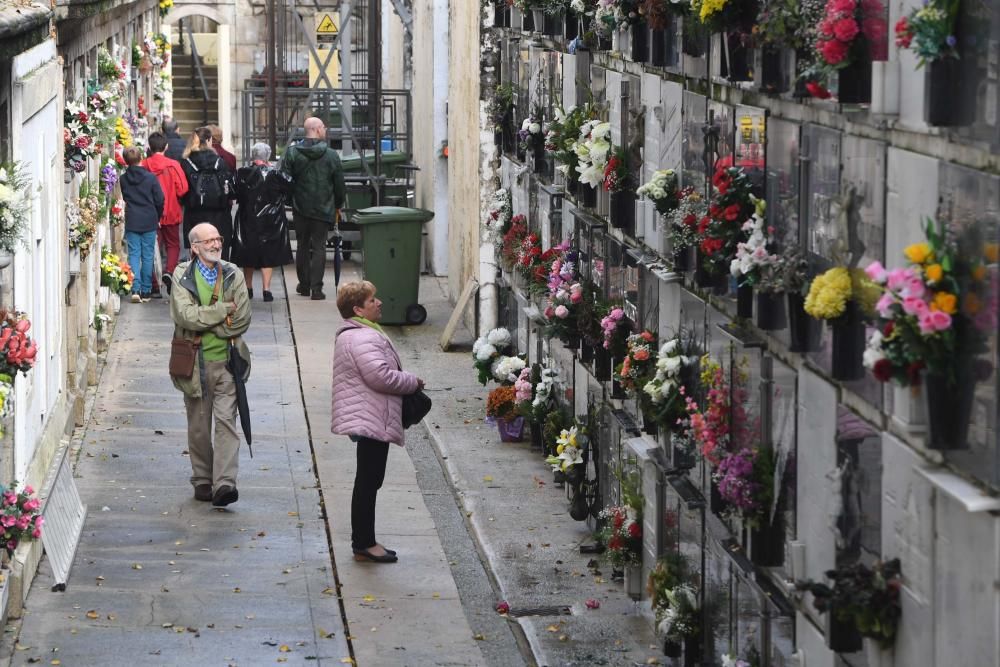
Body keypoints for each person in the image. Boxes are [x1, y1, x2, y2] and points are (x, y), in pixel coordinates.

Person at [331, 281, 424, 563]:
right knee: (368, 481)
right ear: (358, 309)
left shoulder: (360, 333)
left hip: (368, 413)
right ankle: (364, 542)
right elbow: (381, 377)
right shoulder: (363, 338)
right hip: (370, 415)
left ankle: (366, 539)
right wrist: (414, 381)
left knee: (370, 479)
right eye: (372, 300)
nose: (379, 302)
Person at [169, 222, 252, 507]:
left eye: (218, 239)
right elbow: (186, 316)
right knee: (199, 425)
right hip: (194, 362)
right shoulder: (182, 275)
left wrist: (215, 327)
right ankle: (203, 479)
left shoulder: (233, 273)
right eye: (209, 241)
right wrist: (221, 311)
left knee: (227, 422)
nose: (216, 245)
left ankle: (225, 484)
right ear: (194, 247)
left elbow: (243, 318)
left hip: (229, 361)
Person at [280, 116, 346, 301]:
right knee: (319, 247)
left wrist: (290, 200)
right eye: (324, 127)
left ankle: (304, 285)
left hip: (300, 207)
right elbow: (339, 184)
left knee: (302, 245)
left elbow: (285, 180)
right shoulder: (331, 155)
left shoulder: (293, 153)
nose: (325, 130)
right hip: (324, 208)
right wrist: (338, 205)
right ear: (317, 129)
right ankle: (317, 288)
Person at [232, 143, 293, 302]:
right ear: (268, 155)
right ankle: (267, 289)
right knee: (269, 252)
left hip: (247, 218)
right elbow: (289, 190)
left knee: (248, 250)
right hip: (271, 219)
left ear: (253, 155)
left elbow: (235, 193)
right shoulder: (276, 174)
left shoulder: (242, 173)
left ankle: (249, 287)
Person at [142, 132, 189, 294]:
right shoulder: (173, 165)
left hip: (149, 212)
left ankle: (153, 284)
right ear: (166, 147)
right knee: (173, 244)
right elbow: (183, 189)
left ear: (149, 147)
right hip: (171, 210)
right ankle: (169, 271)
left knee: (151, 247)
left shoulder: (144, 165)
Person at [181, 127, 236, 260]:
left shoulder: (186, 162)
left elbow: (182, 189)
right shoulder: (220, 161)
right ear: (209, 140)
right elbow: (229, 188)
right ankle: (219, 279)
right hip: (219, 213)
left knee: (198, 250)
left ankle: (199, 278)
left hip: (194, 212)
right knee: (219, 250)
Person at [119, 146, 164, 303]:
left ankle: (135, 289)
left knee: (134, 255)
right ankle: (146, 290)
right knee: (147, 256)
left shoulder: (123, 179)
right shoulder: (150, 178)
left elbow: (125, 196)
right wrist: (157, 215)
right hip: (149, 219)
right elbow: (159, 199)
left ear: (126, 161)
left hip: (132, 219)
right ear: (141, 158)